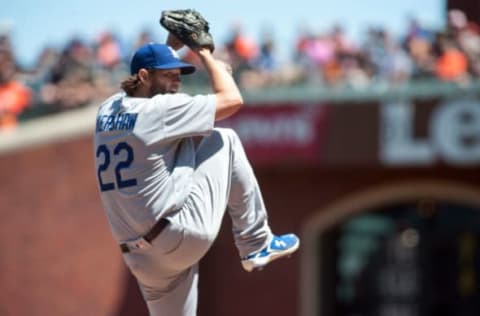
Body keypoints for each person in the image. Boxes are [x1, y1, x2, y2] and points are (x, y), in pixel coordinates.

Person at [93, 33, 299, 316]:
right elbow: (232, 99)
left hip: (141, 260)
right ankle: (256, 243)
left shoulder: (107, 111)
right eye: (169, 75)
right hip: (177, 236)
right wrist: (205, 55)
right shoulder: (159, 110)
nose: (176, 82)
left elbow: (138, 93)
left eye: (179, 75)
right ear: (143, 75)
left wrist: (168, 48)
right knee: (223, 140)